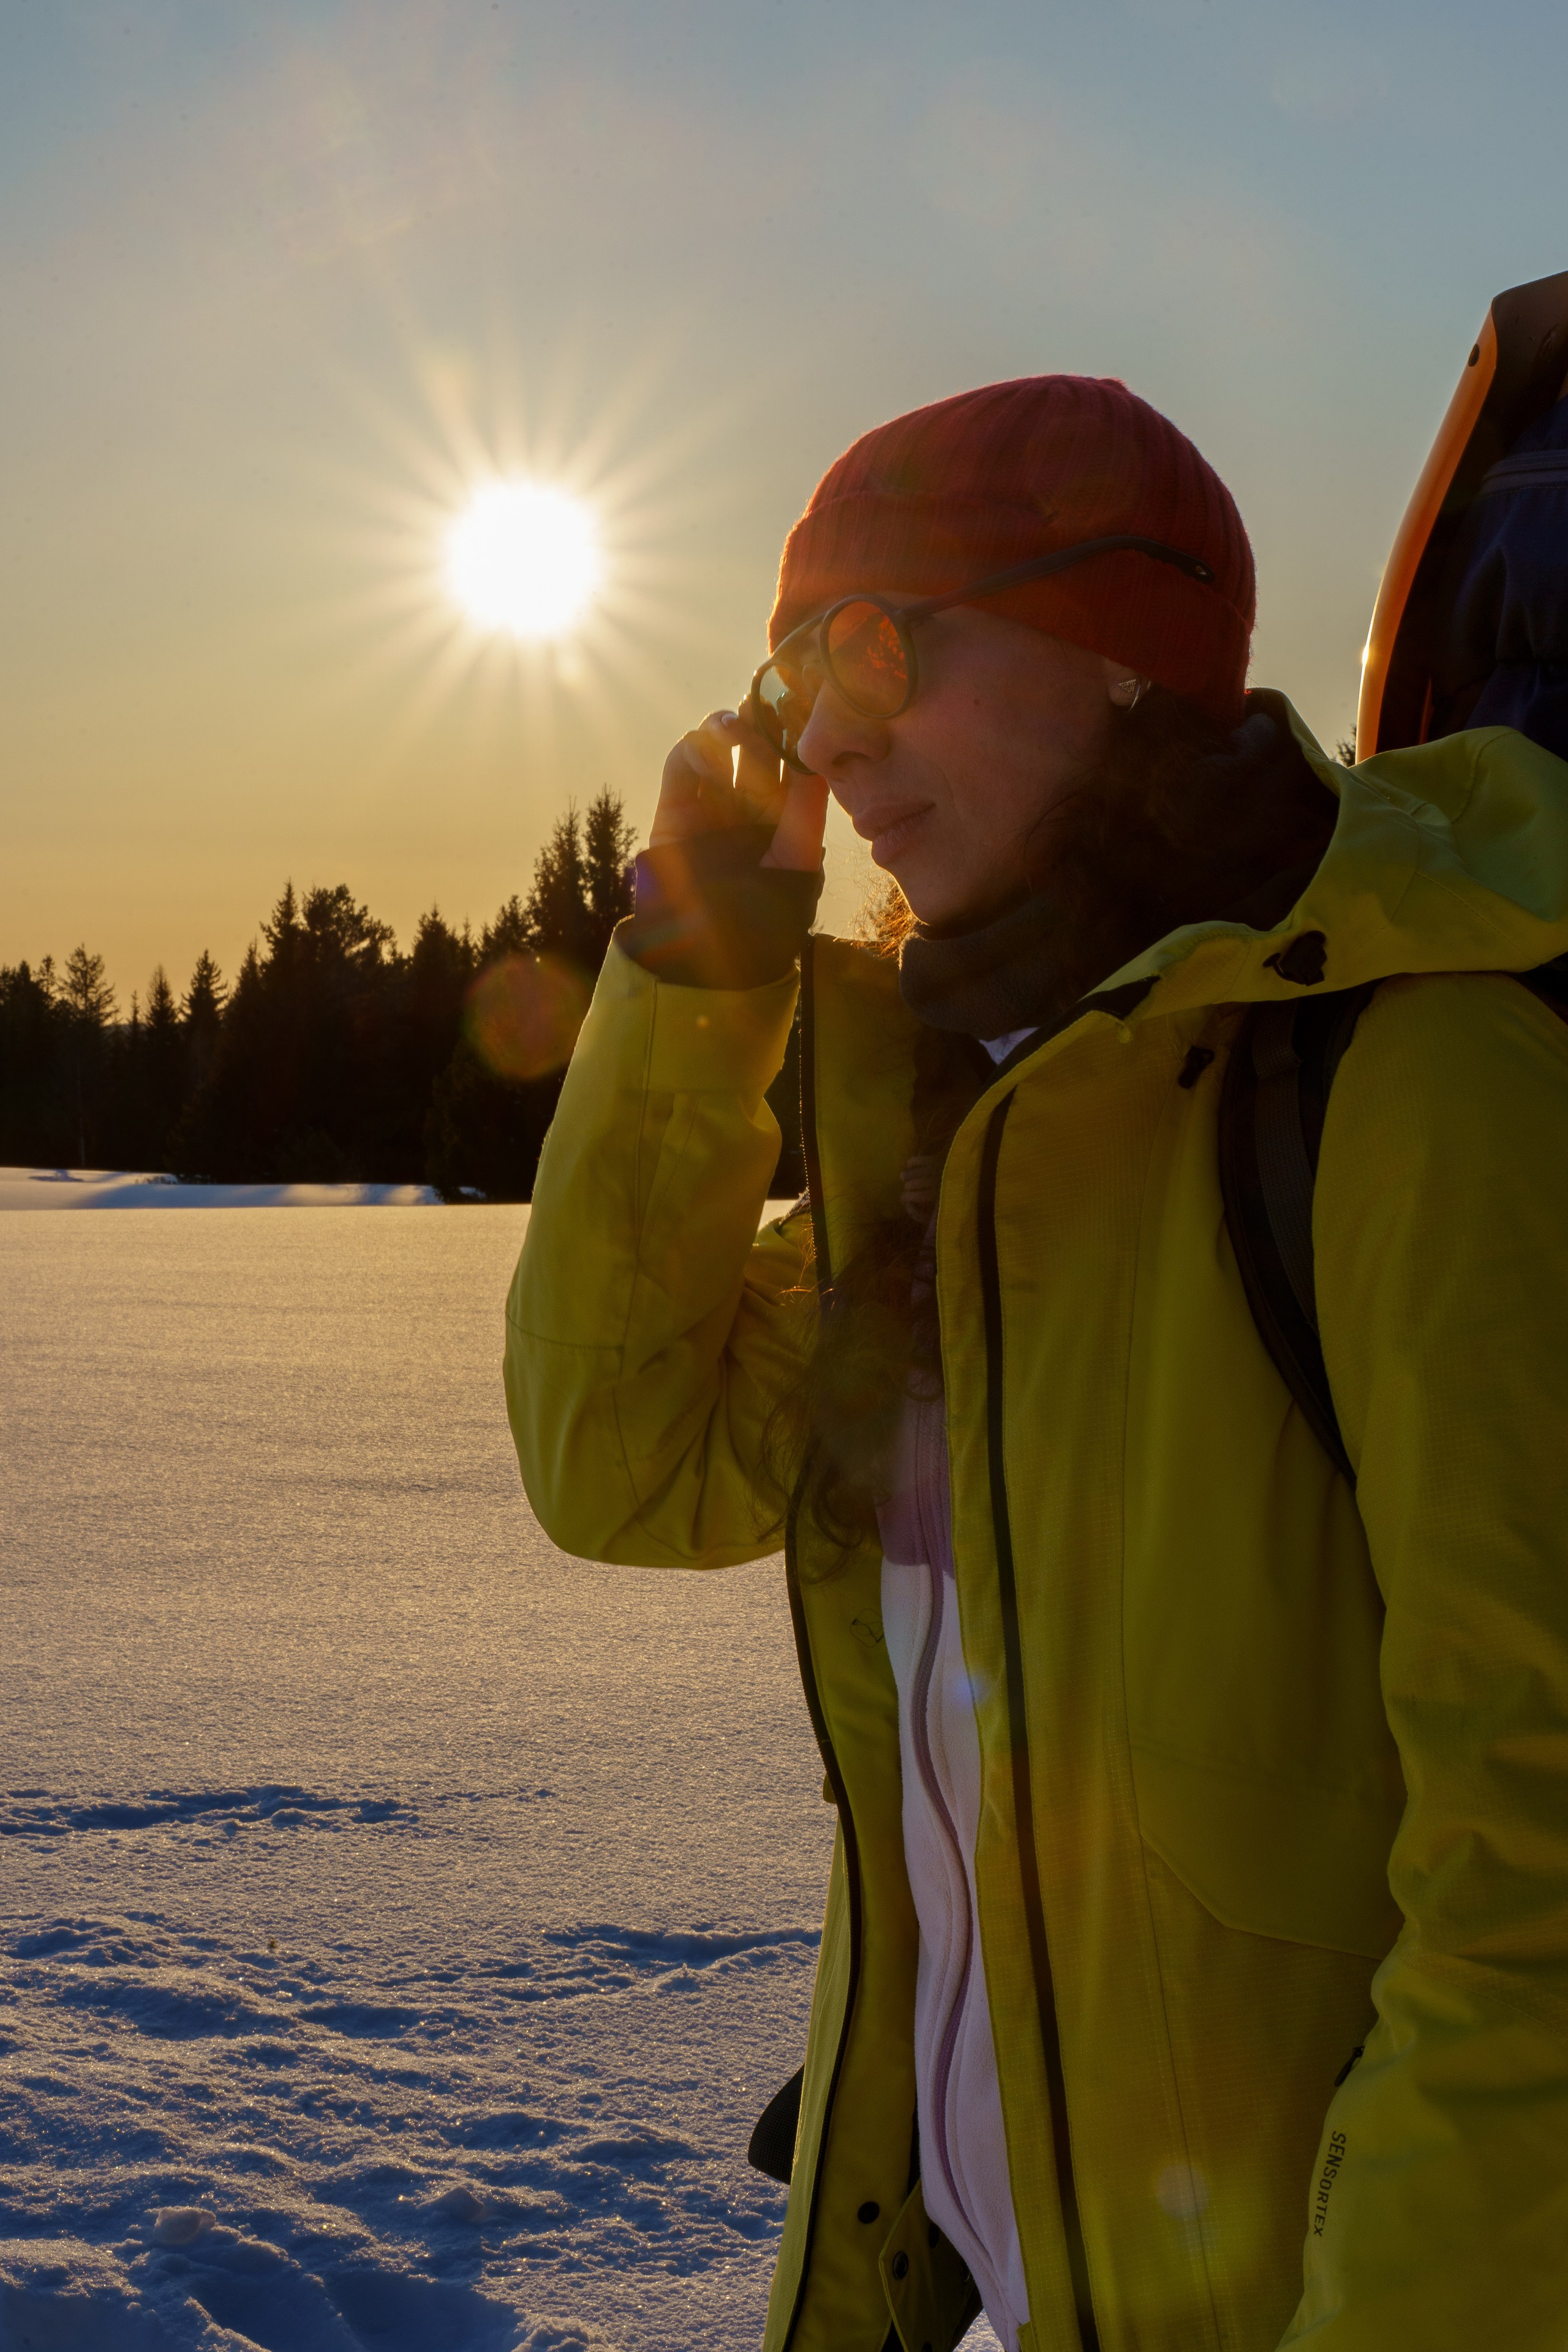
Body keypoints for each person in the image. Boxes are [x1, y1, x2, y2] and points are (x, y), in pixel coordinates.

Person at [504, 375, 1568, 2352]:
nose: (826, 738)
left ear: (1126, 658)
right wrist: (696, 975)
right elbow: (620, 1459)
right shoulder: (966, 1152)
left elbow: (1538, 1890)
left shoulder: (1411, 1087)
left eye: (881, 646)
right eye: (793, 672)